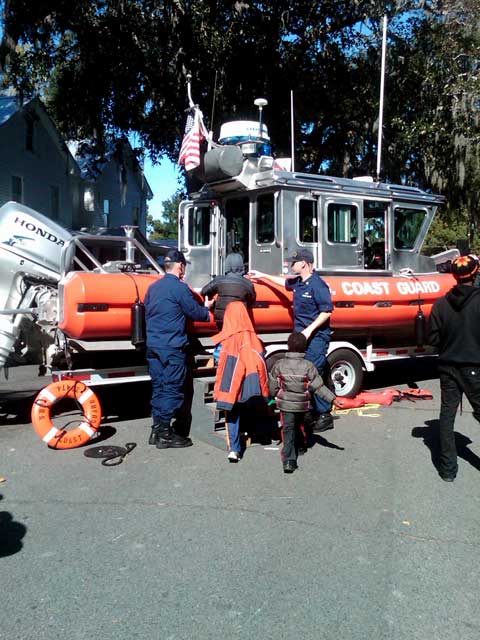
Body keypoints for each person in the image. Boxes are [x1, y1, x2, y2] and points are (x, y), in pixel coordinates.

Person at [249, 248, 334, 433]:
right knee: (299, 373)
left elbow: (326, 311)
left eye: (293, 262)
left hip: (316, 338)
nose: (290, 264)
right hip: (301, 337)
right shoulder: (299, 283)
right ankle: (309, 413)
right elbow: (283, 283)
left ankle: (325, 414)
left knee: (311, 374)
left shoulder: (318, 285)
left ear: (304, 263)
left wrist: (308, 331)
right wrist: (262, 276)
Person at [144, 249, 212, 449]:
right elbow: (196, 313)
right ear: (180, 266)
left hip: (153, 345)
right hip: (172, 346)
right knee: (173, 389)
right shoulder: (179, 288)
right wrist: (207, 309)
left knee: (159, 387)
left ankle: (156, 429)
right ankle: (165, 432)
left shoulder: (153, 288)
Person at [427, 254, 480, 482]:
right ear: (475, 274)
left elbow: (432, 340)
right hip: (475, 367)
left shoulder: (440, 304)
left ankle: (448, 470)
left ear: (455, 277)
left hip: (447, 367)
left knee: (446, 417)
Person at [269, 332, 348, 473]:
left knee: (288, 429)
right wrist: (333, 399)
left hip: (285, 405)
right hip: (302, 404)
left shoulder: (279, 364)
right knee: (300, 424)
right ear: (304, 347)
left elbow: (272, 386)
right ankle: (300, 447)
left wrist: (277, 395)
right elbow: (318, 386)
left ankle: (289, 460)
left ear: (288, 346)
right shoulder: (308, 366)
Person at [212, 301, 269, 463]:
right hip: (250, 381)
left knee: (232, 412)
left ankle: (235, 449)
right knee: (249, 408)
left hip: (232, 381)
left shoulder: (227, 338)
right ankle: (259, 433)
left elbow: (219, 359)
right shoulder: (253, 337)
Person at [200, 253, 256, 328]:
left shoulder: (219, 280)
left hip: (221, 320)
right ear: (242, 266)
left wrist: (213, 302)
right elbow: (252, 301)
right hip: (239, 320)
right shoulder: (247, 283)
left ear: (227, 266)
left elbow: (204, 291)